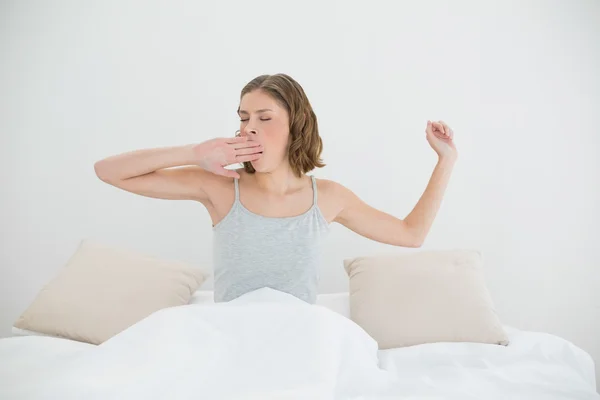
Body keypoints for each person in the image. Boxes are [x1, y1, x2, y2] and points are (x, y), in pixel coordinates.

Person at [94, 73, 457, 304]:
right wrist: (193, 152)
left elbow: (412, 235)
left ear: (295, 128)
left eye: (264, 118)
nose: (249, 127)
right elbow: (109, 171)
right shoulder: (220, 186)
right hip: (231, 337)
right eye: (242, 118)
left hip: (297, 337)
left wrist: (446, 161)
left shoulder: (328, 198)